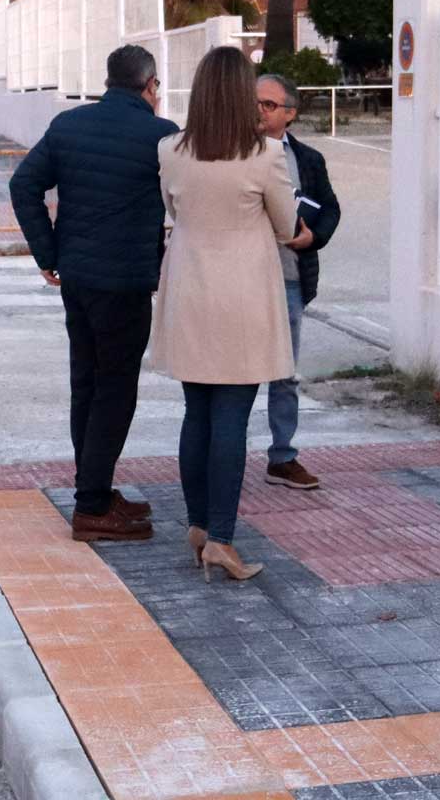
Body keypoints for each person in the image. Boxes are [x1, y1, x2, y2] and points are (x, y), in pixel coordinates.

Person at [9, 45, 179, 543]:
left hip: (77, 280)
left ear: (109, 81)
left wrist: (48, 254)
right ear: (149, 85)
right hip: (125, 282)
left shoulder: (68, 126)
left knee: (86, 383)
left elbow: (24, 187)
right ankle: (91, 505)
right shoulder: (161, 136)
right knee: (116, 388)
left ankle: (96, 489)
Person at [150, 46, 299, 581]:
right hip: (243, 292)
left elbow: (173, 210)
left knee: (197, 412)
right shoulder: (266, 155)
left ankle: (197, 527)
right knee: (232, 416)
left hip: (189, 283)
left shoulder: (171, 148)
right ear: (242, 96)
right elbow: (286, 226)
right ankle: (221, 539)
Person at [255, 73, 340, 490]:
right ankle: (225, 456)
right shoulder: (231, 152)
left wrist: (313, 237)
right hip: (241, 280)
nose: (258, 110)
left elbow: (330, 209)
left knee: (284, 373)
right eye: (253, 102)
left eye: (268, 105)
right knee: (233, 373)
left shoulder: (307, 159)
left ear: (289, 113)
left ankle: (282, 456)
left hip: (288, 277)